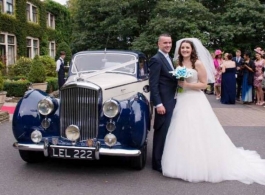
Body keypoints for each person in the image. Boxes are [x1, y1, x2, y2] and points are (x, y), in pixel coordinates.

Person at [161, 38, 265, 185]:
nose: (184, 50)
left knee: (199, 130)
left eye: (187, 48)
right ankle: (182, 163)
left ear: (192, 50)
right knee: (182, 130)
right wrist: (179, 85)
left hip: (195, 99)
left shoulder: (197, 63)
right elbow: (178, 82)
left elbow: (204, 84)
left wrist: (186, 85)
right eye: (183, 48)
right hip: (182, 100)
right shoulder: (179, 63)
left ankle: (200, 166)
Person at [149, 33, 178, 173]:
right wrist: (158, 104)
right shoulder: (156, 59)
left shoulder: (169, 58)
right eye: (165, 43)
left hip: (171, 99)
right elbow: (153, 84)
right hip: (163, 103)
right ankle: (157, 163)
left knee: (168, 131)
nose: (168, 45)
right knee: (161, 131)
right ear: (158, 44)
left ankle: (163, 159)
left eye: (170, 43)